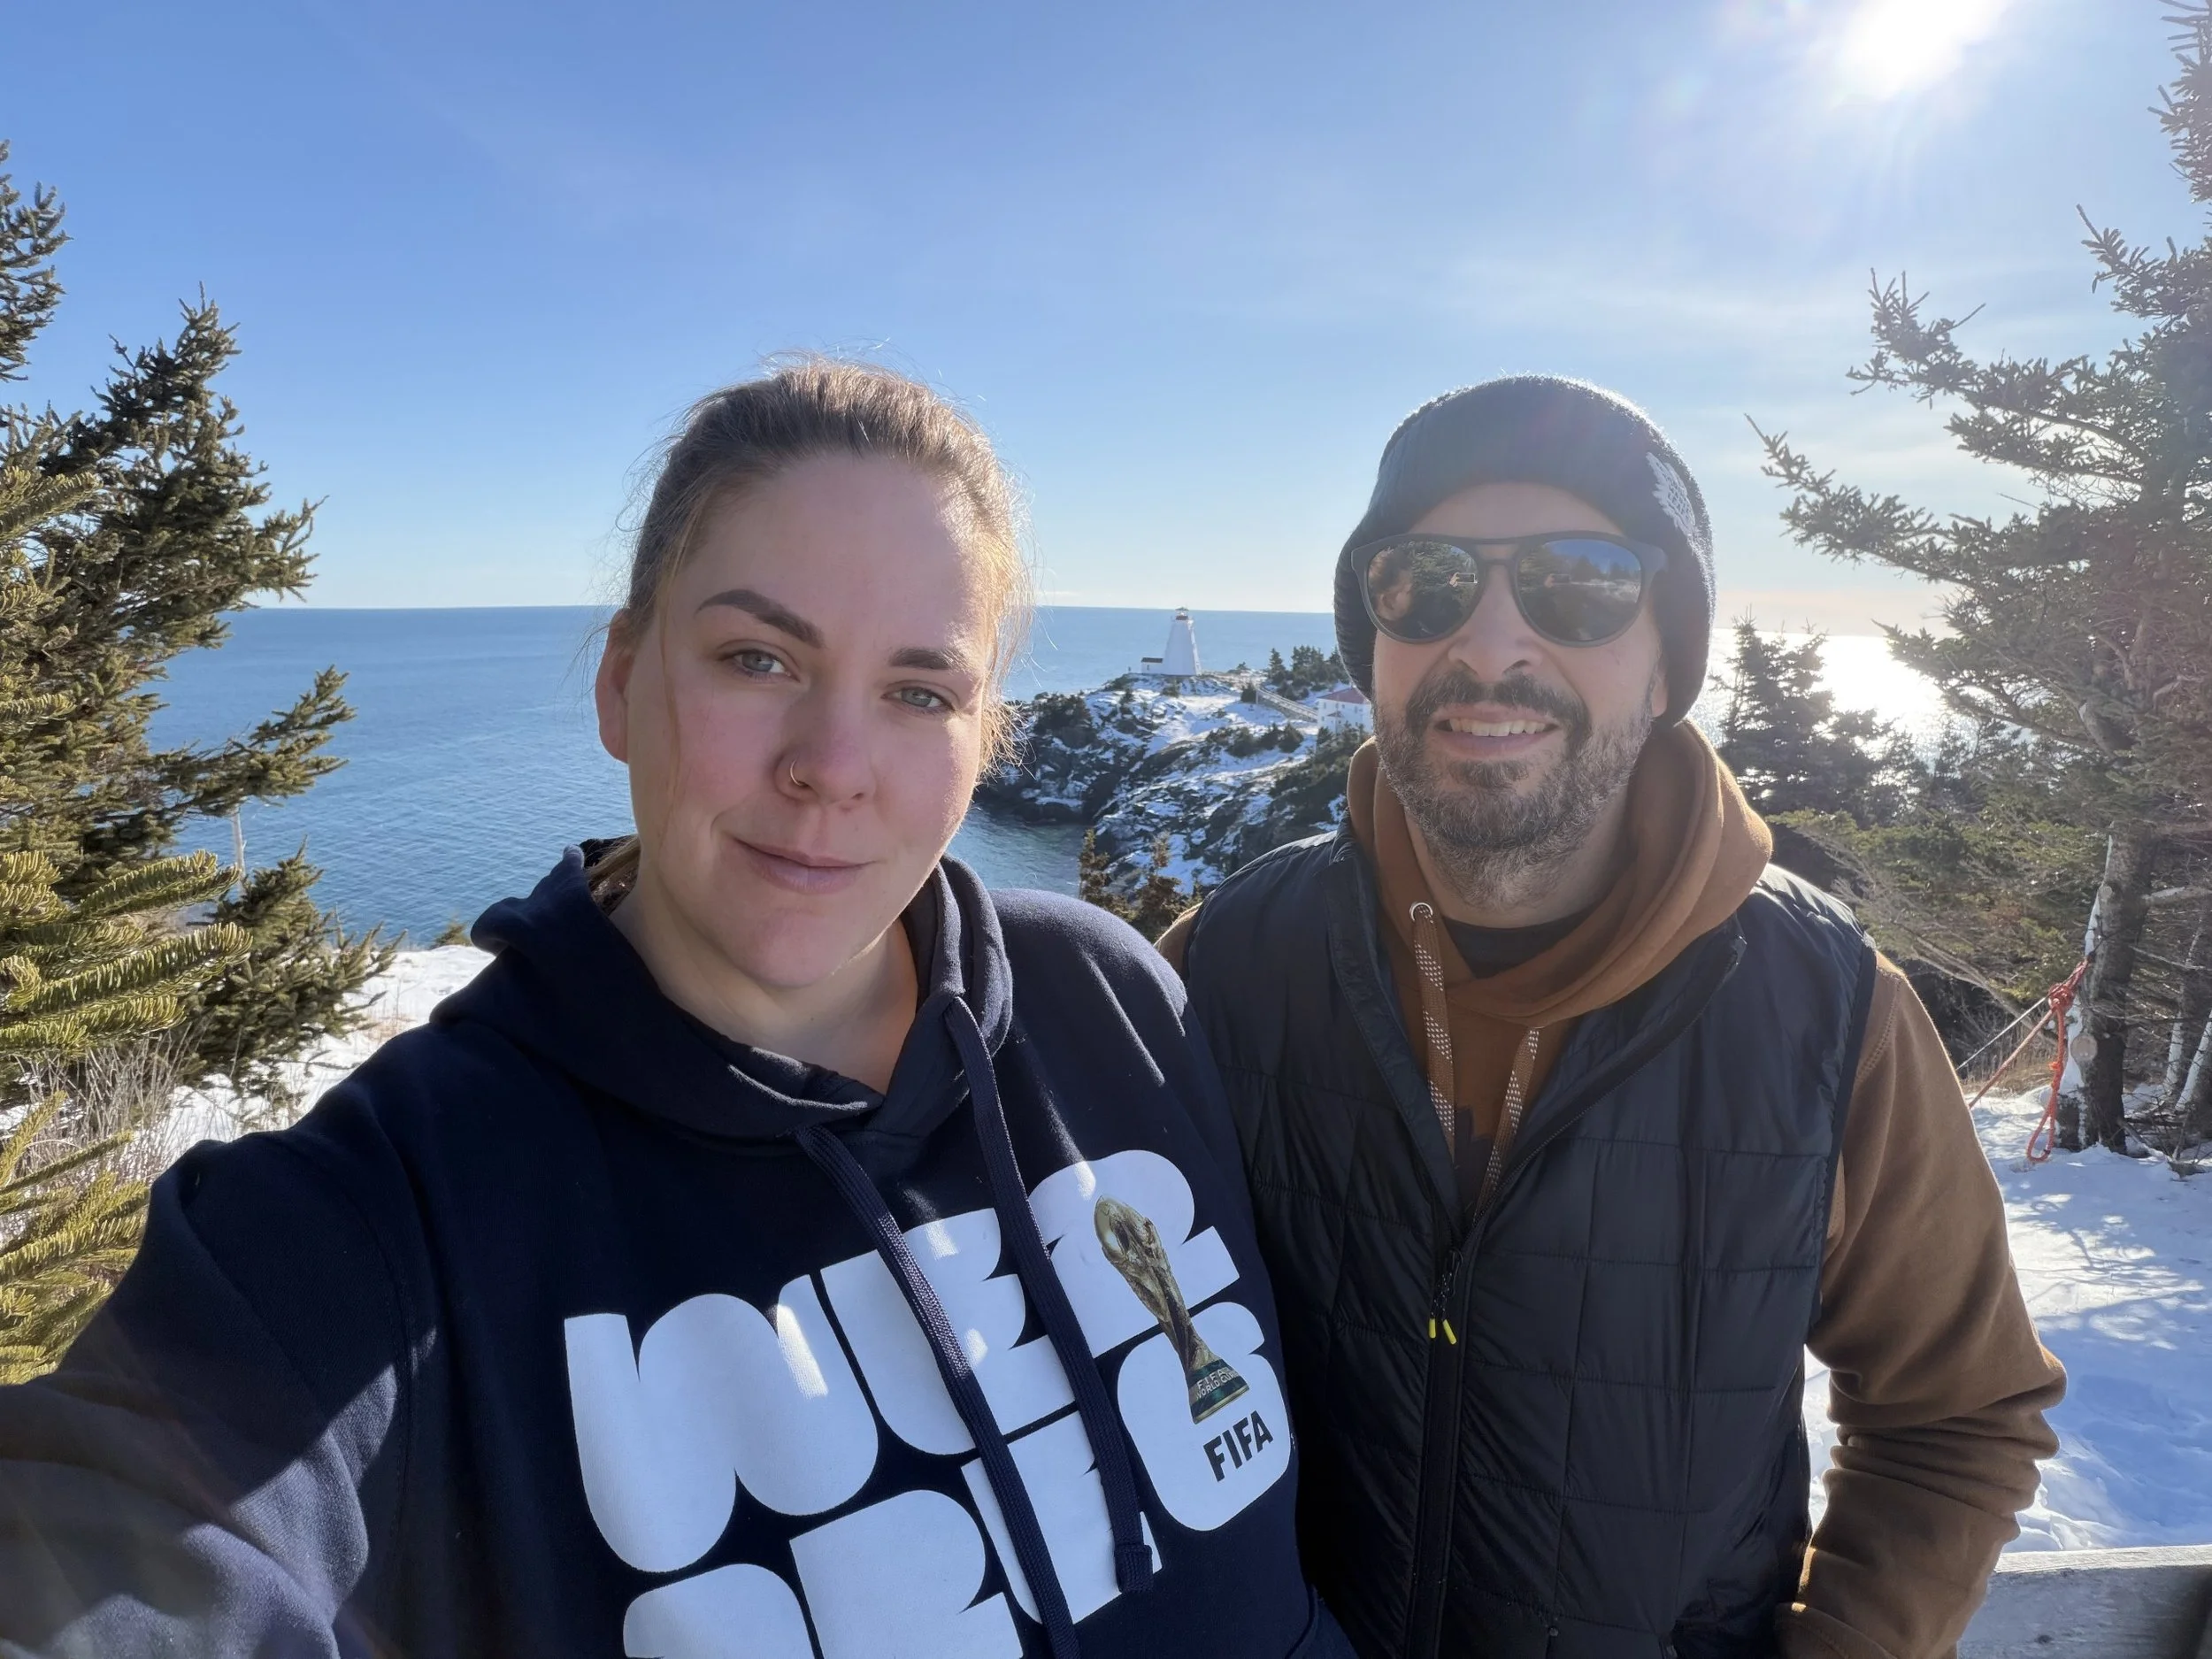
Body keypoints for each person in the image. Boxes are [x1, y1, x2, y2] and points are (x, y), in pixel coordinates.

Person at [0, 361, 1348, 1659]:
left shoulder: (1112, 1001)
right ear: (619, 681)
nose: (832, 767)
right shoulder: (392, 1210)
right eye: (758, 658)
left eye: (919, 690)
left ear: (984, 735)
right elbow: (129, 1542)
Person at [1158, 376, 2065, 1659]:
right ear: (1376, 637)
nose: (1491, 643)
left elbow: (1956, 1413)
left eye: (1577, 582)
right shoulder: (1226, 964)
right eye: (1425, 580)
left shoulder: (1828, 1016)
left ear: (1667, 660)